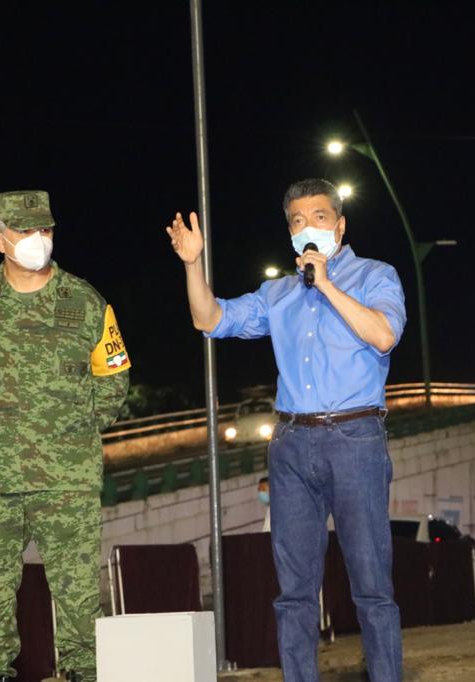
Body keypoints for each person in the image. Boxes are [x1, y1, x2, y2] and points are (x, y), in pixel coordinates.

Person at [167, 178, 406, 682]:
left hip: (355, 438)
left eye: (318, 217)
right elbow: (210, 319)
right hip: (292, 445)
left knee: (371, 585)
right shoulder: (278, 293)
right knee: (294, 591)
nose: (306, 228)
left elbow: (383, 336)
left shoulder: (375, 275)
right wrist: (193, 263)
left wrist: (328, 284)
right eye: (296, 221)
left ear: (339, 225)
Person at [0, 190, 131, 682]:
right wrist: (0, 429)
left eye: (44, 229)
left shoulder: (85, 301)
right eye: (25, 231)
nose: (37, 240)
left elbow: (114, 378)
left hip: (67, 478)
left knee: (78, 594)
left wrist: (75, 430)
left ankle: (86, 673)